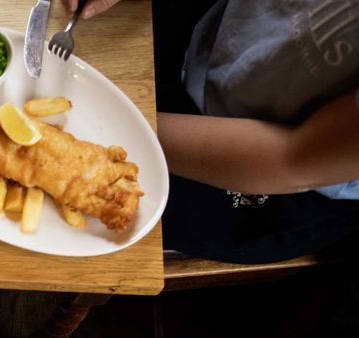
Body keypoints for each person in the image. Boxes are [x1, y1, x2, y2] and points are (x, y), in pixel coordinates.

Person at [64, 0, 359, 263]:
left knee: (79, 192)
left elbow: (291, 160)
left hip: (266, 169)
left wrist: (109, 123)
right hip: (215, 30)